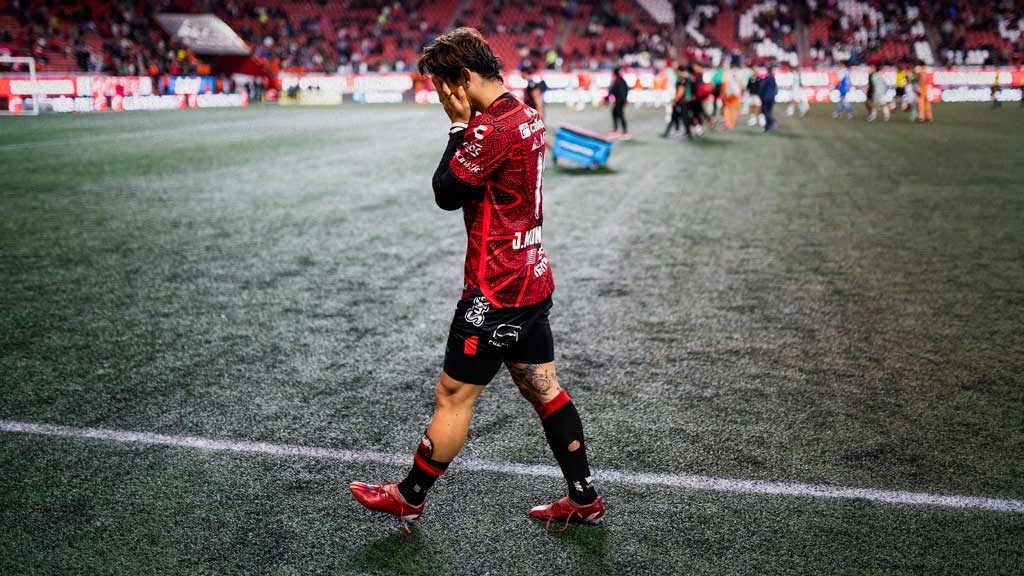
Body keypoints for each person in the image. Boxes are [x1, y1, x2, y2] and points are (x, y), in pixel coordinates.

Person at [349, 27, 604, 534]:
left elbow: (446, 192)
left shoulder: (490, 129)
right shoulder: (525, 115)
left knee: (453, 396)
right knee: (542, 387)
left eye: (442, 87)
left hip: (495, 289)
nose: (441, 97)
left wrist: (457, 126)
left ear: (463, 78)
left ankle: (409, 497)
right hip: (531, 276)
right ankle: (585, 498)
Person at [606, 67, 630, 138]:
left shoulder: (617, 80)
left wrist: (624, 100)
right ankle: (616, 130)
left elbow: (613, 90)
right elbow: (626, 89)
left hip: (619, 101)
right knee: (614, 113)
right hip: (619, 100)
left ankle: (625, 132)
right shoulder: (621, 80)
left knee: (620, 115)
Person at [722, 57, 744, 129]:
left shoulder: (726, 73)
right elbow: (741, 85)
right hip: (736, 93)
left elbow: (724, 84)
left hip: (728, 92)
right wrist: (741, 93)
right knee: (735, 108)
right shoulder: (740, 73)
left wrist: (722, 93)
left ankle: (727, 123)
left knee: (726, 108)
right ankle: (733, 123)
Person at [759, 65, 778, 132]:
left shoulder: (766, 78)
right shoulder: (773, 78)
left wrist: (761, 96)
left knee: (765, 112)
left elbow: (762, 88)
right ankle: (767, 126)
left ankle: (772, 121)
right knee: (769, 112)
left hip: (766, 98)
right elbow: (775, 89)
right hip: (771, 98)